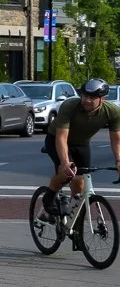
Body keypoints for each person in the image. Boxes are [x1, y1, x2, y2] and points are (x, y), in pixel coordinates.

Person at [39, 78, 120, 221]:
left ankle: (73, 218)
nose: (87, 100)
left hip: (81, 144)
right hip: (56, 139)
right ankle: (49, 197)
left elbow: (116, 140)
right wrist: (65, 162)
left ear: (102, 99)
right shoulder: (70, 106)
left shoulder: (112, 112)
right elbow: (62, 138)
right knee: (67, 174)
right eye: (85, 96)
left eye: (92, 98)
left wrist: (118, 160)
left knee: (81, 181)